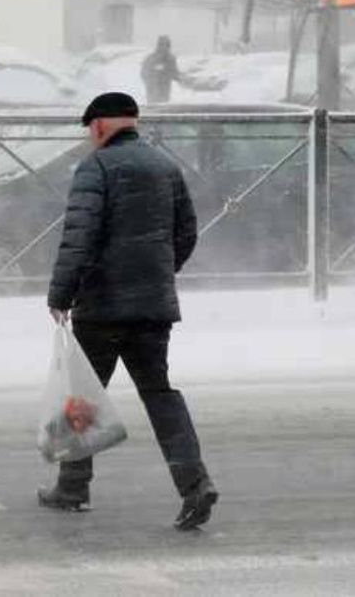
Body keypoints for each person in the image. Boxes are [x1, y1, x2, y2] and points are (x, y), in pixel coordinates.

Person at [38, 91, 218, 531]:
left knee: (82, 395)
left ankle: (73, 487)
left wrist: (61, 294)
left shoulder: (94, 168)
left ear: (99, 126)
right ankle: (195, 484)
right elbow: (186, 233)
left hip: (101, 308)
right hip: (153, 308)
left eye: (89, 130)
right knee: (159, 394)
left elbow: (79, 238)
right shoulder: (165, 167)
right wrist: (157, 274)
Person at [140, 35, 182, 104]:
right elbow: (143, 73)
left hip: (165, 90)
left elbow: (174, 72)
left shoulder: (171, 59)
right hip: (153, 90)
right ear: (158, 45)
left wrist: (183, 79)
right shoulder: (151, 58)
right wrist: (150, 83)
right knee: (154, 106)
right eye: (162, 44)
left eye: (167, 45)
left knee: (163, 105)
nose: (165, 47)